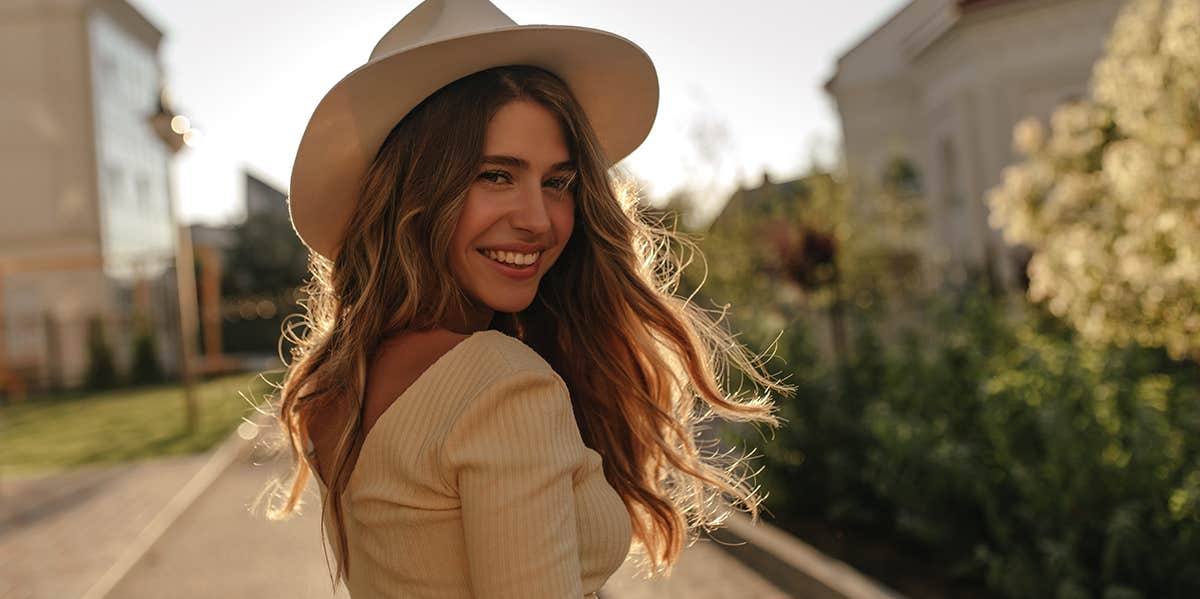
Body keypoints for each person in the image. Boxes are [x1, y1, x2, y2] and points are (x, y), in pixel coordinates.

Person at [259, 0, 792, 597]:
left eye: (558, 183)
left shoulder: (341, 386)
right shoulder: (503, 385)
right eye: (495, 175)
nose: (538, 220)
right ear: (417, 191)